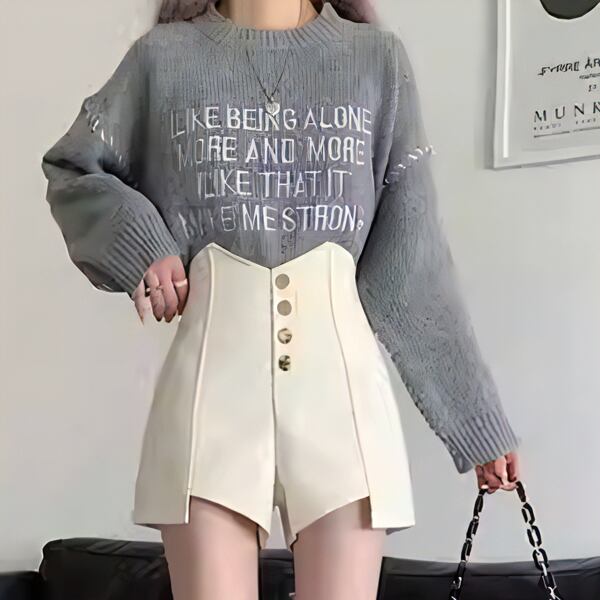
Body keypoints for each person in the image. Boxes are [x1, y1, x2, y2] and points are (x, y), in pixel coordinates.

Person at [41, 1, 522, 598]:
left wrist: (476, 422)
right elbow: (72, 168)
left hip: (342, 400)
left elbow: (413, 264)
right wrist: (143, 244)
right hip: (209, 396)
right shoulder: (161, 60)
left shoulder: (376, 61)